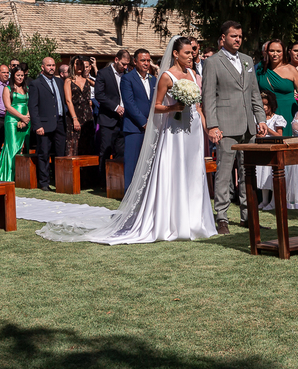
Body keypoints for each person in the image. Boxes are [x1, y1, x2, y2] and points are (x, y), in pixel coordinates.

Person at [37, 36, 217, 244]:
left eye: (192, 52)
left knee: (193, 171)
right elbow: (155, 106)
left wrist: (208, 128)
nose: (191, 56)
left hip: (192, 130)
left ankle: (195, 220)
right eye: (187, 52)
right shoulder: (166, 76)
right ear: (176, 54)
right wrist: (173, 108)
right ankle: (173, 221)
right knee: (173, 171)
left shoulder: (194, 75)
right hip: (174, 131)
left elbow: (199, 107)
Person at [201, 21, 269, 235]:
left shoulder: (248, 61)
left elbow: (254, 94)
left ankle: (248, 216)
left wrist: (261, 118)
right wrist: (212, 126)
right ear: (223, 38)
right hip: (225, 125)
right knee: (223, 173)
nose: (238, 39)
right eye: (233, 36)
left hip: (249, 125)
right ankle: (221, 217)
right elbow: (208, 97)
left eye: (240, 36)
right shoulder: (213, 62)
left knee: (249, 172)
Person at [28, 56, 68, 191]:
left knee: (60, 154)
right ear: (42, 67)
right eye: (48, 65)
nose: (51, 67)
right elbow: (32, 106)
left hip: (60, 123)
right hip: (44, 125)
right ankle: (44, 182)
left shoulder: (59, 81)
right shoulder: (36, 83)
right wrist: (37, 125)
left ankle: (60, 181)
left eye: (53, 65)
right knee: (44, 154)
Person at [119, 49, 155, 188]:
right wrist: (143, 122)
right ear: (135, 62)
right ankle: (129, 194)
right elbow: (129, 103)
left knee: (148, 162)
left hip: (151, 126)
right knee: (132, 163)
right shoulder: (127, 78)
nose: (146, 63)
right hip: (134, 127)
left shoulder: (153, 79)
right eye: (143, 60)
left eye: (148, 60)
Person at [0, 63, 30, 182]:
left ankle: (21, 177)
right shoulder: (7, 89)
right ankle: (8, 175)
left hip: (26, 121)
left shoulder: (26, 88)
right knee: (12, 147)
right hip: (12, 120)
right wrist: (21, 117)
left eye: (22, 75)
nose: (20, 78)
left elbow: (28, 104)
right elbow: (8, 106)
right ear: (13, 76)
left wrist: (27, 118)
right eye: (18, 75)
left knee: (23, 147)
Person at [257, 40, 298, 137]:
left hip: (288, 111)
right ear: (267, 52)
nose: (275, 54)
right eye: (272, 51)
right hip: (267, 112)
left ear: (284, 53)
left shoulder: (291, 69)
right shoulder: (260, 69)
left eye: (278, 51)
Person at [95, 50, 129, 169]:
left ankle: (117, 181)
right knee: (106, 150)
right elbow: (99, 94)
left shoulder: (127, 75)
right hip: (108, 119)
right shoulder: (103, 73)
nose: (125, 67)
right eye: (123, 64)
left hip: (124, 120)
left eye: (127, 65)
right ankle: (103, 182)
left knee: (121, 151)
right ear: (116, 60)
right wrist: (116, 107)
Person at [64, 57, 95, 157]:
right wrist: (74, 119)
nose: (79, 66)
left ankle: (86, 172)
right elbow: (68, 101)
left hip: (87, 115)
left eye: (81, 64)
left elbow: (100, 85)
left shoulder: (87, 80)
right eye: (77, 64)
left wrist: (94, 68)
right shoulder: (68, 81)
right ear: (72, 65)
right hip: (74, 114)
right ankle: (72, 171)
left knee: (88, 143)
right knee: (74, 143)